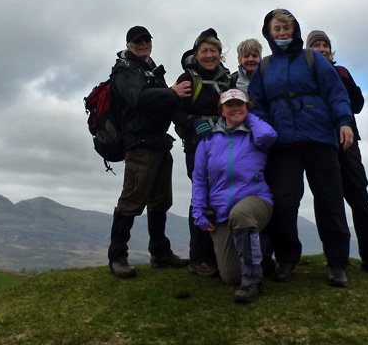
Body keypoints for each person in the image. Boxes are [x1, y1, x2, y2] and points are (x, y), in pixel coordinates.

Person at [248, 9, 354, 287]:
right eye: (276, 29)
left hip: (319, 138)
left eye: (286, 27)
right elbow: (256, 104)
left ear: (294, 30)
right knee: (283, 204)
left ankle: (337, 264)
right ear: (268, 33)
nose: (282, 33)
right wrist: (264, 131)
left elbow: (336, 93)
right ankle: (287, 259)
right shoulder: (264, 67)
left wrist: (344, 122)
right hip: (282, 144)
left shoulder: (313, 59)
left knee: (330, 201)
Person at [107, 25, 191, 278]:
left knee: (160, 201)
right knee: (132, 199)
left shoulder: (149, 69)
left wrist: (170, 93)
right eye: (138, 41)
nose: (144, 44)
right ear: (129, 44)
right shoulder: (125, 70)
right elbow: (136, 98)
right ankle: (117, 257)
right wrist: (171, 92)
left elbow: (159, 100)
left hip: (159, 142)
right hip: (140, 144)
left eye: (147, 40)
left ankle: (160, 253)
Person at [306, 30, 368, 276]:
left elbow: (358, 105)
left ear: (331, 51)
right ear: (308, 51)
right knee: (325, 199)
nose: (322, 49)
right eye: (316, 46)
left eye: (325, 45)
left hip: (347, 140)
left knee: (358, 195)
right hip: (319, 141)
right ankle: (334, 256)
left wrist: (339, 79)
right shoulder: (303, 74)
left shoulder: (341, 71)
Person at [191, 89, 277, 303]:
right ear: (221, 110)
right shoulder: (208, 141)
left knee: (241, 214)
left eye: (240, 104)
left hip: (256, 200)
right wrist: (199, 212)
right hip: (222, 212)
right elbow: (200, 179)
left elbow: (269, 136)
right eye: (230, 105)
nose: (235, 108)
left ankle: (253, 282)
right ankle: (262, 255)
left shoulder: (254, 134)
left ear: (247, 107)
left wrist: (249, 117)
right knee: (229, 276)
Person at [173, 28, 233, 277]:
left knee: (223, 195)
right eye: (204, 51)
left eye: (214, 51)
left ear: (220, 54)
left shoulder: (228, 79)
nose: (209, 55)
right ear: (196, 55)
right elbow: (173, 109)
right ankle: (199, 258)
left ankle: (221, 255)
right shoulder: (188, 77)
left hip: (226, 145)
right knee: (202, 196)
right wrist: (192, 122)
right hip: (198, 146)